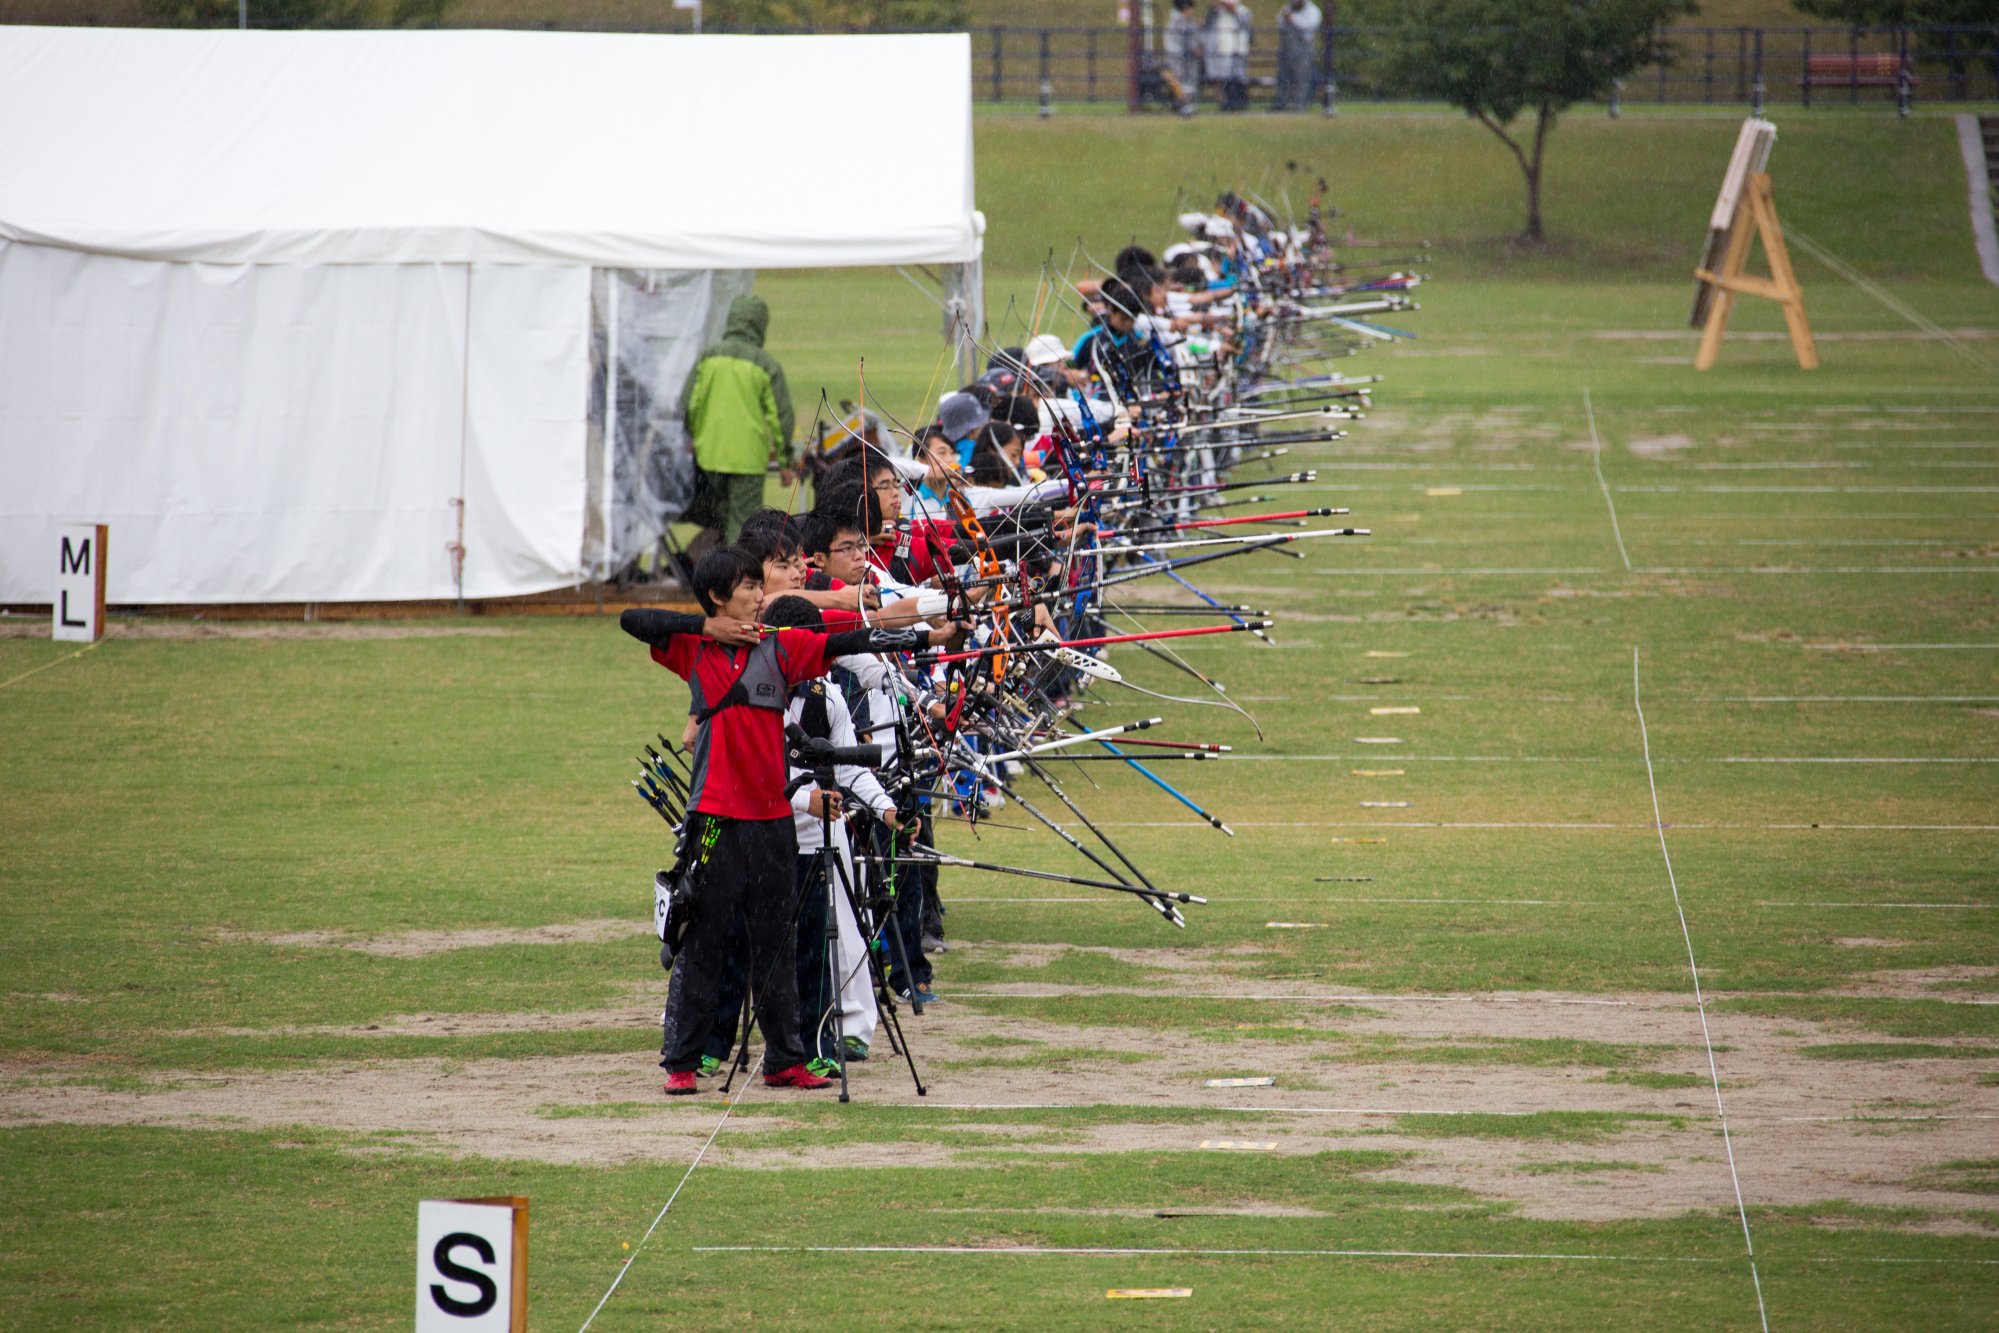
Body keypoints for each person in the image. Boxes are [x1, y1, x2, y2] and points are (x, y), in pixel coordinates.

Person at [620, 547, 920, 1096]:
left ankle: (785, 1058)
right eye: (750, 586)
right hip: (714, 818)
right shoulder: (694, 648)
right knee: (704, 939)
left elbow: (845, 640)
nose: (762, 595)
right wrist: (709, 628)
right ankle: (682, 1061)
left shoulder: (781, 648)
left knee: (775, 940)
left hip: (773, 817)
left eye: (761, 586)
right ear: (717, 596)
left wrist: (923, 633)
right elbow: (632, 620)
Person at [683, 295, 795, 544]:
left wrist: (692, 436)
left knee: (722, 516)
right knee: (744, 525)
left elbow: (690, 404)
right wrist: (786, 460)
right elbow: (781, 418)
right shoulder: (765, 364)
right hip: (747, 461)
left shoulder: (708, 357)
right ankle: (738, 577)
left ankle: (719, 572)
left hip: (709, 456)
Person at [1204, 0, 1253, 112]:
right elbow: (1208, 22)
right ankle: (1228, 104)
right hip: (1224, 49)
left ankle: (1240, 104)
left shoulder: (1244, 11)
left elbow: (1244, 23)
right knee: (1225, 78)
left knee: (1239, 78)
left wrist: (1232, 10)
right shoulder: (1218, 12)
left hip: (1239, 49)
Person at [1275, 0, 1321, 112]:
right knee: (1283, 78)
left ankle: (1300, 105)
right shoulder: (1288, 7)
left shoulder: (1313, 11)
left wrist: (1292, 19)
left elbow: (1308, 27)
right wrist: (1288, 18)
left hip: (1303, 49)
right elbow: (1279, 20)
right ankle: (1280, 104)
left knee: (1302, 78)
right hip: (1287, 49)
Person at [1163, 0, 1204, 115]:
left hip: (1178, 57)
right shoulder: (1180, 22)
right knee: (1184, 82)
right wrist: (1196, 49)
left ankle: (1185, 105)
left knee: (1182, 82)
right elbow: (1189, 41)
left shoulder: (1177, 21)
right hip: (1180, 58)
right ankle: (1186, 106)